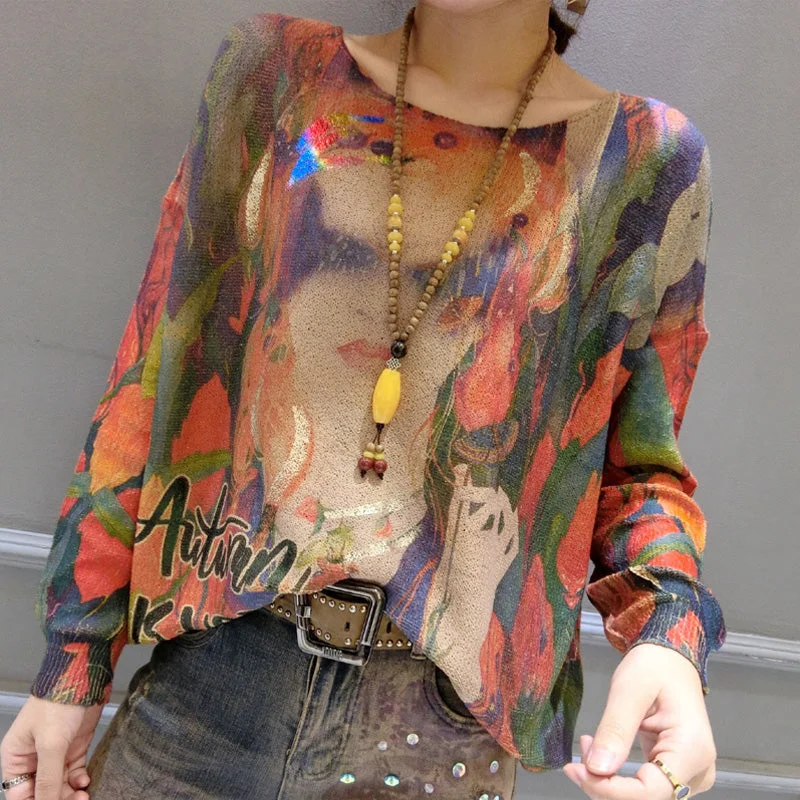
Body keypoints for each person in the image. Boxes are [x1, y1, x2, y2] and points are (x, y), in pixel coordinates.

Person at [1, 1, 727, 798]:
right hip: (210, 690)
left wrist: (669, 635)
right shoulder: (278, 78)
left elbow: (638, 467)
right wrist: (74, 658)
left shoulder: (641, 160)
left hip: (435, 736)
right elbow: (157, 375)